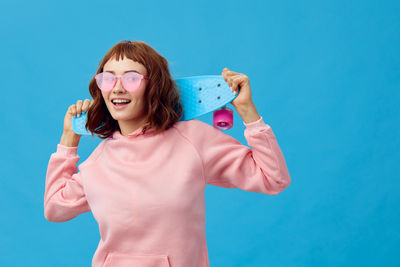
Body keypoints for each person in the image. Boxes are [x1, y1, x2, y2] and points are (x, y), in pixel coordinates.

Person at [44, 40, 291, 267]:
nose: (117, 88)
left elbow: (273, 178)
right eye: (108, 79)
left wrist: (247, 111)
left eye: (131, 78)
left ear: (154, 85)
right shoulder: (99, 160)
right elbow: (55, 208)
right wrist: (68, 139)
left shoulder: (193, 140)